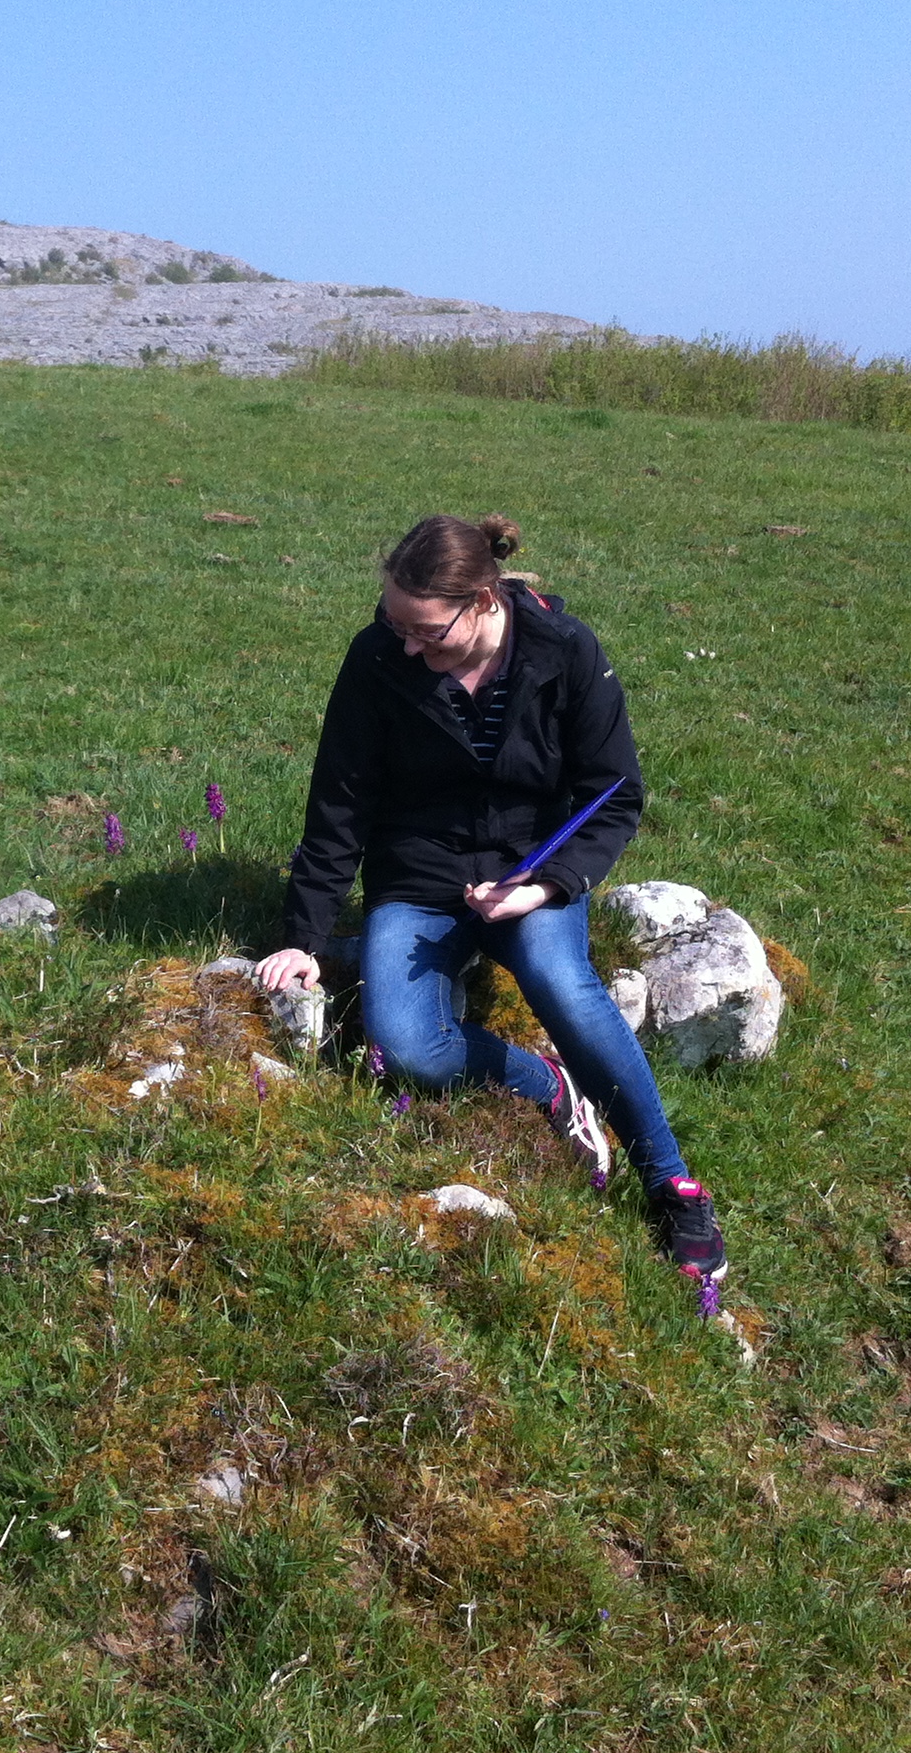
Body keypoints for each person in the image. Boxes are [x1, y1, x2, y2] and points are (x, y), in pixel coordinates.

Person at [256, 514, 727, 1288]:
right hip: (416, 875)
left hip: (532, 870)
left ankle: (673, 1186)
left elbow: (613, 794)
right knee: (409, 1051)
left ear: (483, 600)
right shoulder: (377, 657)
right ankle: (549, 1084)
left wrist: (545, 885)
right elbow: (341, 801)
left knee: (562, 983)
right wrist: (304, 934)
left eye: (426, 631)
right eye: (393, 623)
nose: (407, 646)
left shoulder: (567, 651)